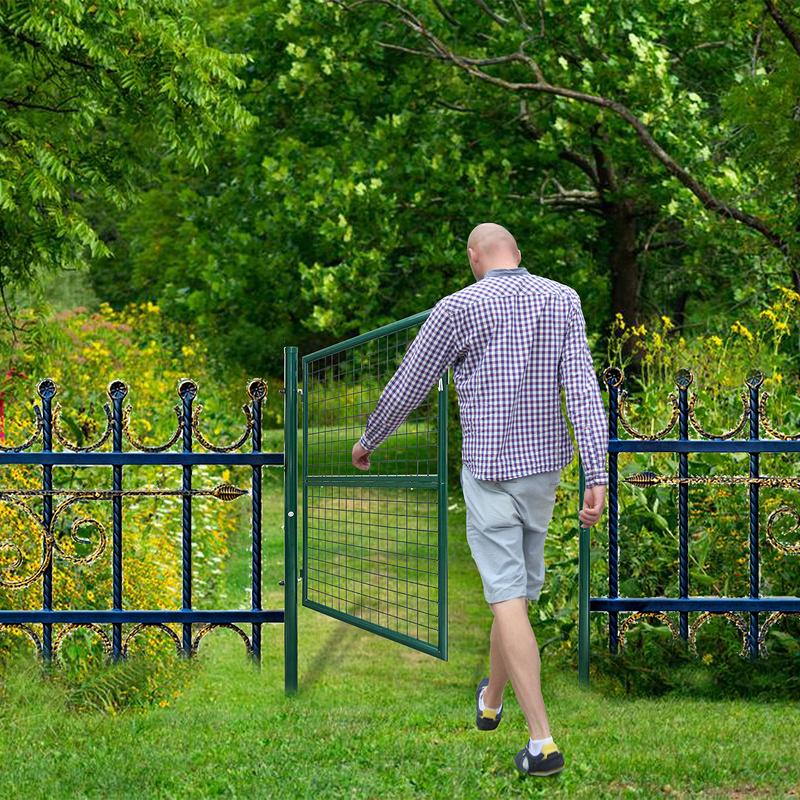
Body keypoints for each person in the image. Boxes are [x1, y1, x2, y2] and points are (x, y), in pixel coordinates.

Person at [351, 222, 608, 778]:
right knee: (511, 593)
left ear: (475, 257)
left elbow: (410, 382)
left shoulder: (457, 307)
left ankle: (542, 742)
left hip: (489, 471)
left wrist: (370, 438)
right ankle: (492, 700)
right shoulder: (562, 298)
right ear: (517, 253)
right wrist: (597, 472)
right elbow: (583, 389)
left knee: (506, 595)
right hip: (543, 470)